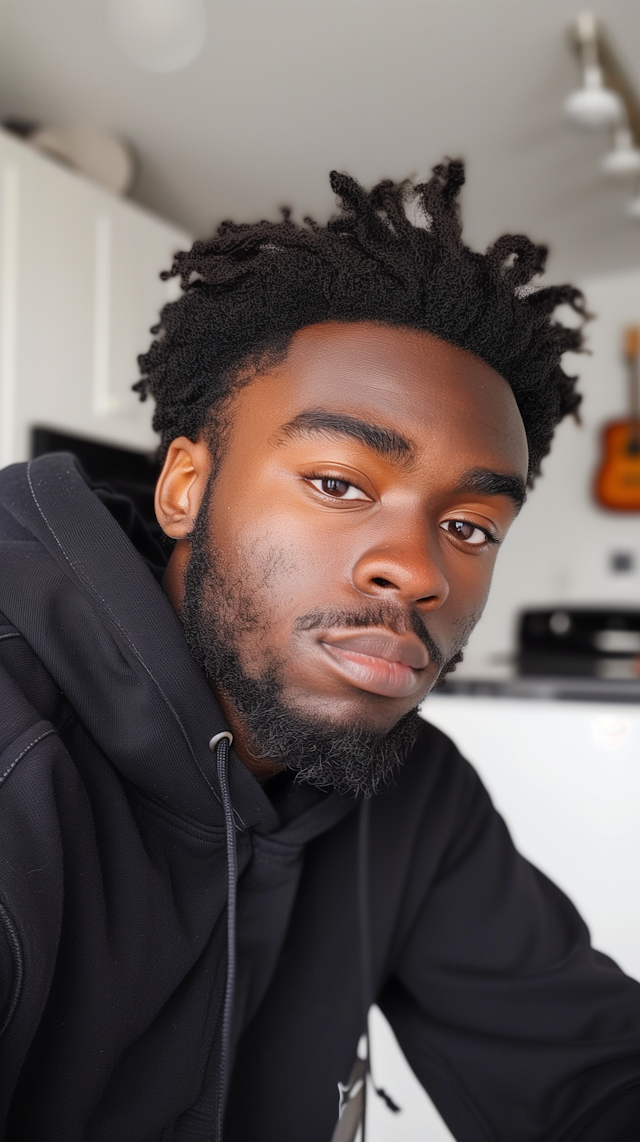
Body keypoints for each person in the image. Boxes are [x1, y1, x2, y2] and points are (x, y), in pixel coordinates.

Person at [0, 161, 638, 1142]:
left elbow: (590, 1074)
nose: (416, 570)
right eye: (340, 483)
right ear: (185, 487)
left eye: (469, 527)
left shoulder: (414, 791)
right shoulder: (16, 744)